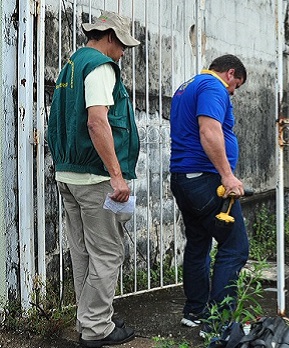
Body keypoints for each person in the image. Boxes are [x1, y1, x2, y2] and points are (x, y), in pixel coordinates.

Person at [46, 11, 140, 348]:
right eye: (123, 45)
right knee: (108, 252)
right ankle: (98, 329)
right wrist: (117, 176)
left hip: (69, 173)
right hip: (95, 176)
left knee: (84, 252)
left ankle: (90, 323)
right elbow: (97, 122)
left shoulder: (71, 65)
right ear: (110, 37)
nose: (124, 52)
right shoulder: (99, 66)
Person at [169, 54, 248, 337]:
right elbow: (209, 131)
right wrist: (227, 176)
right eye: (235, 86)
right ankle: (219, 325)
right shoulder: (213, 87)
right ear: (229, 74)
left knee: (199, 242)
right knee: (235, 247)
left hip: (183, 179)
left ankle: (195, 312)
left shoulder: (187, 86)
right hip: (204, 180)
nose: (233, 92)